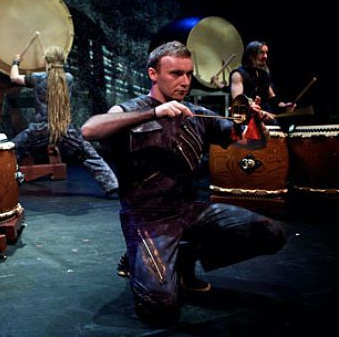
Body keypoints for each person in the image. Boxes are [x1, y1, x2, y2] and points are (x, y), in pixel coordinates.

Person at [81, 41, 286, 325]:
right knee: (160, 307)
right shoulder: (132, 109)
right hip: (146, 218)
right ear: (153, 74)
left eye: (189, 74)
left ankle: (185, 257)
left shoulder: (195, 114)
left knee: (271, 232)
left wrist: (254, 121)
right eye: (176, 73)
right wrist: (154, 112)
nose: (185, 81)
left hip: (188, 210)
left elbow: (251, 142)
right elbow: (89, 129)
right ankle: (137, 258)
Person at [10, 44, 118, 196]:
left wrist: (16, 61)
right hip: (65, 129)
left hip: (41, 129)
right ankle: (112, 185)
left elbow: (14, 77)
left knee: (12, 150)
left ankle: (2, 179)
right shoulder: (69, 78)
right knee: (88, 155)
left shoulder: (37, 78)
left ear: (46, 60)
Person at [216, 41, 295, 122]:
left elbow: (273, 100)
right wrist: (258, 110)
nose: (265, 56)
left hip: (261, 121)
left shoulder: (264, 75)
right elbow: (239, 101)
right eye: (261, 53)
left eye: (266, 53)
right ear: (250, 55)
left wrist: (284, 106)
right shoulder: (238, 74)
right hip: (244, 122)